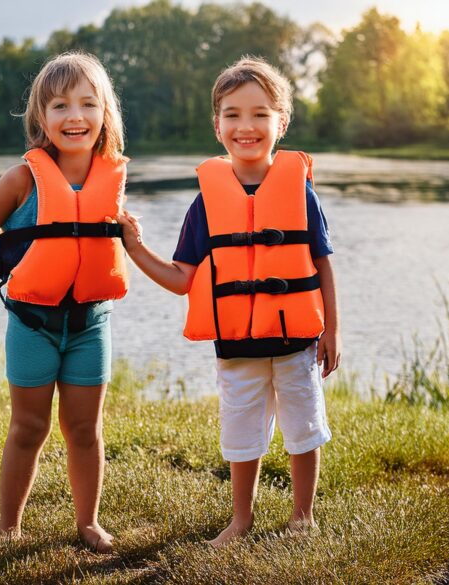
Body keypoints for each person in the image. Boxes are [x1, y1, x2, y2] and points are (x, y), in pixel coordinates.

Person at [116, 56, 340, 547]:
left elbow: (323, 264)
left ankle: (303, 515)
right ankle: (241, 519)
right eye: (233, 114)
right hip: (236, 345)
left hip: (298, 339)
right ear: (217, 126)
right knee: (241, 434)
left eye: (260, 113)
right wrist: (134, 248)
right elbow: (180, 279)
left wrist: (333, 331)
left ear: (281, 122)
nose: (247, 126)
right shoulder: (204, 204)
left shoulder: (302, 195)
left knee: (304, 427)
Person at [0, 51, 129, 554]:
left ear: (104, 114)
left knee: (84, 429)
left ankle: (88, 523)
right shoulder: (21, 180)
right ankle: (9, 525)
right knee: (28, 426)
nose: (74, 116)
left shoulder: (111, 177)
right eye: (59, 106)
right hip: (32, 325)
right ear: (41, 118)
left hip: (91, 326)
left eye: (86, 104)